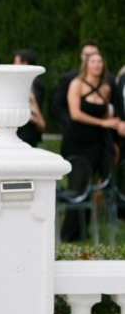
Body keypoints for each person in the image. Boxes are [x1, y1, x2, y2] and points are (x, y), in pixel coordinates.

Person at [59, 51, 125, 241]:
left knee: (93, 187)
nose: (97, 65)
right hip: (78, 142)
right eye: (93, 62)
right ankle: (68, 236)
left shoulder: (105, 88)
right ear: (86, 65)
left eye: (100, 62)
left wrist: (112, 124)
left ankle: (85, 231)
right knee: (78, 187)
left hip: (97, 142)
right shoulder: (76, 84)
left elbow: (105, 115)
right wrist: (103, 123)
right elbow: (75, 114)